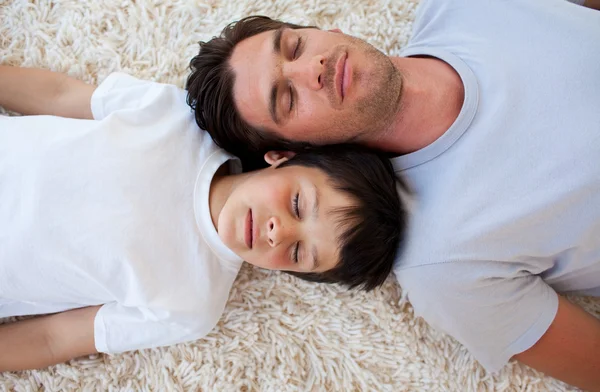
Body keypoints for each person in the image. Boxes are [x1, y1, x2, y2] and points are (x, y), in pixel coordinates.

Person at [185, 1, 600, 390]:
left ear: (326, 29)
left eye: (295, 47)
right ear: (292, 155)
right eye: (288, 98)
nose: (313, 69)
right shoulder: (442, 265)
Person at [0, 66, 406, 372]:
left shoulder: (192, 306)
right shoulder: (178, 120)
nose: (278, 231)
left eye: (299, 252)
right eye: (298, 204)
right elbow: (58, 95)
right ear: (282, 158)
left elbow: (53, 338)